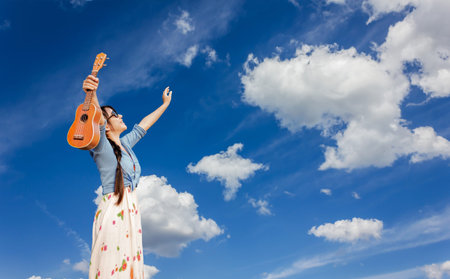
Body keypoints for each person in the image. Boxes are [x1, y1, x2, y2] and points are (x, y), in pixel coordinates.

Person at [82, 74, 172, 279]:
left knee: (128, 264)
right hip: (114, 207)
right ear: (106, 124)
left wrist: (165, 104)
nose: (120, 115)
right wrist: (93, 93)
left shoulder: (126, 145)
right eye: (114, 114)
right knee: (112, 264)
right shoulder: (102, 146)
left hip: (130, 208)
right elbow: (98, 119)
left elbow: (144, 125)